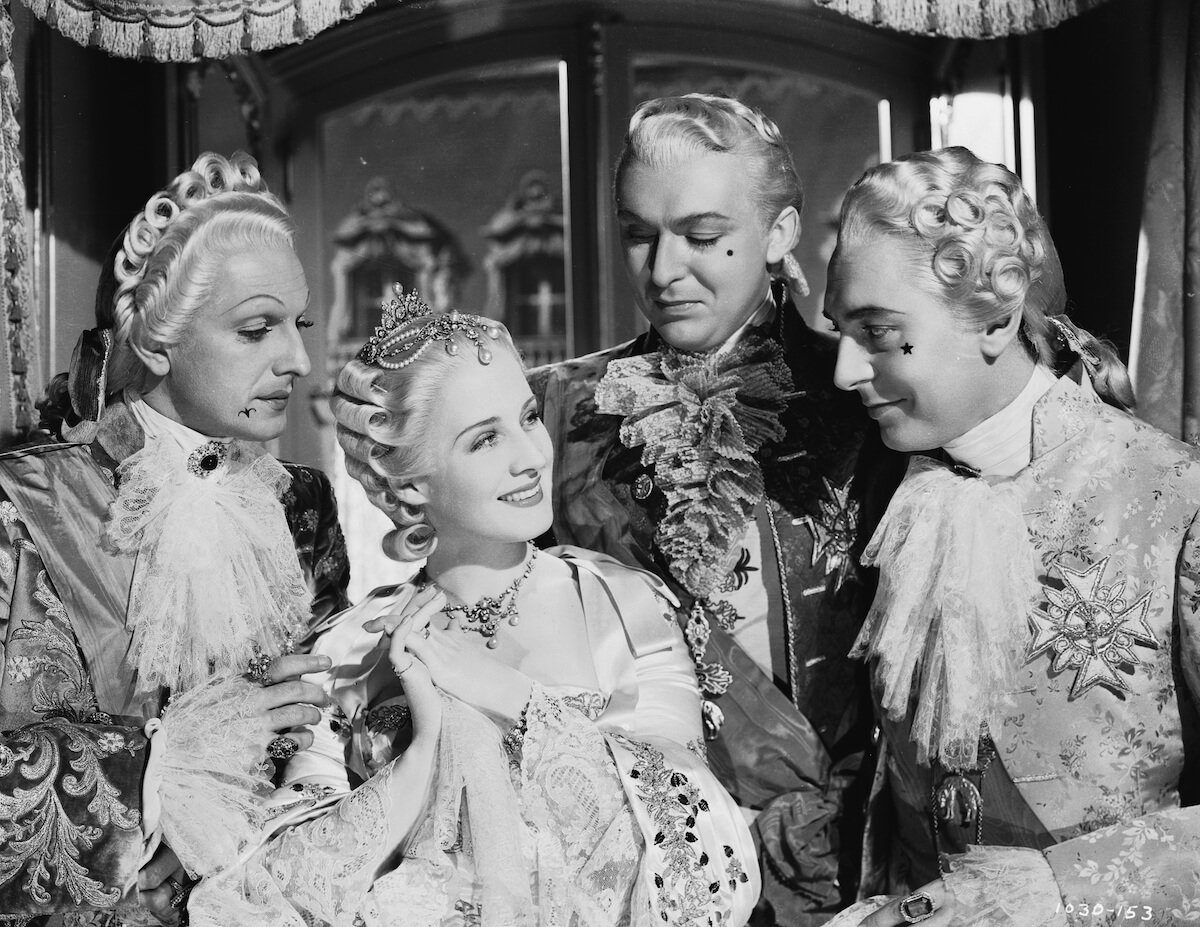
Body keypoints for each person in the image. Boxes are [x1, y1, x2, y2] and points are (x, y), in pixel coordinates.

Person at [198, 294, 761, 926]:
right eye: (485, 439)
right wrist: (425, 744)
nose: (530, 457)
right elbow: (273, 894)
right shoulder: (349, 650)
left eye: (527, 418)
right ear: (410, 483)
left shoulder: (619, 603)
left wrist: (513, 700)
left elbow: (702, 864)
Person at [528, 93, 896, 924]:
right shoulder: (556, 412)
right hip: (632, 863)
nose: (662, 272)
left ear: (780, 235)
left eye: (700, 237)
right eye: (637, 234)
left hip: (844, 862)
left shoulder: (872, 398)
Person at [822, 146, 1199, 927]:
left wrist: (1061, 891)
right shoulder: (896, 493)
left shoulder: (1173, 499)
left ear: (997, 314)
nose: (846, 371)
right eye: (840, 332)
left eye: (879, 331)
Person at [0, 152, 349, 925]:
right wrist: (157, 775)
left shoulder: (303, 509)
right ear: (158, 342)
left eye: (298, 326)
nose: (296, 359)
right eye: (256, 329)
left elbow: (327, 733)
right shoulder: (22, 506)